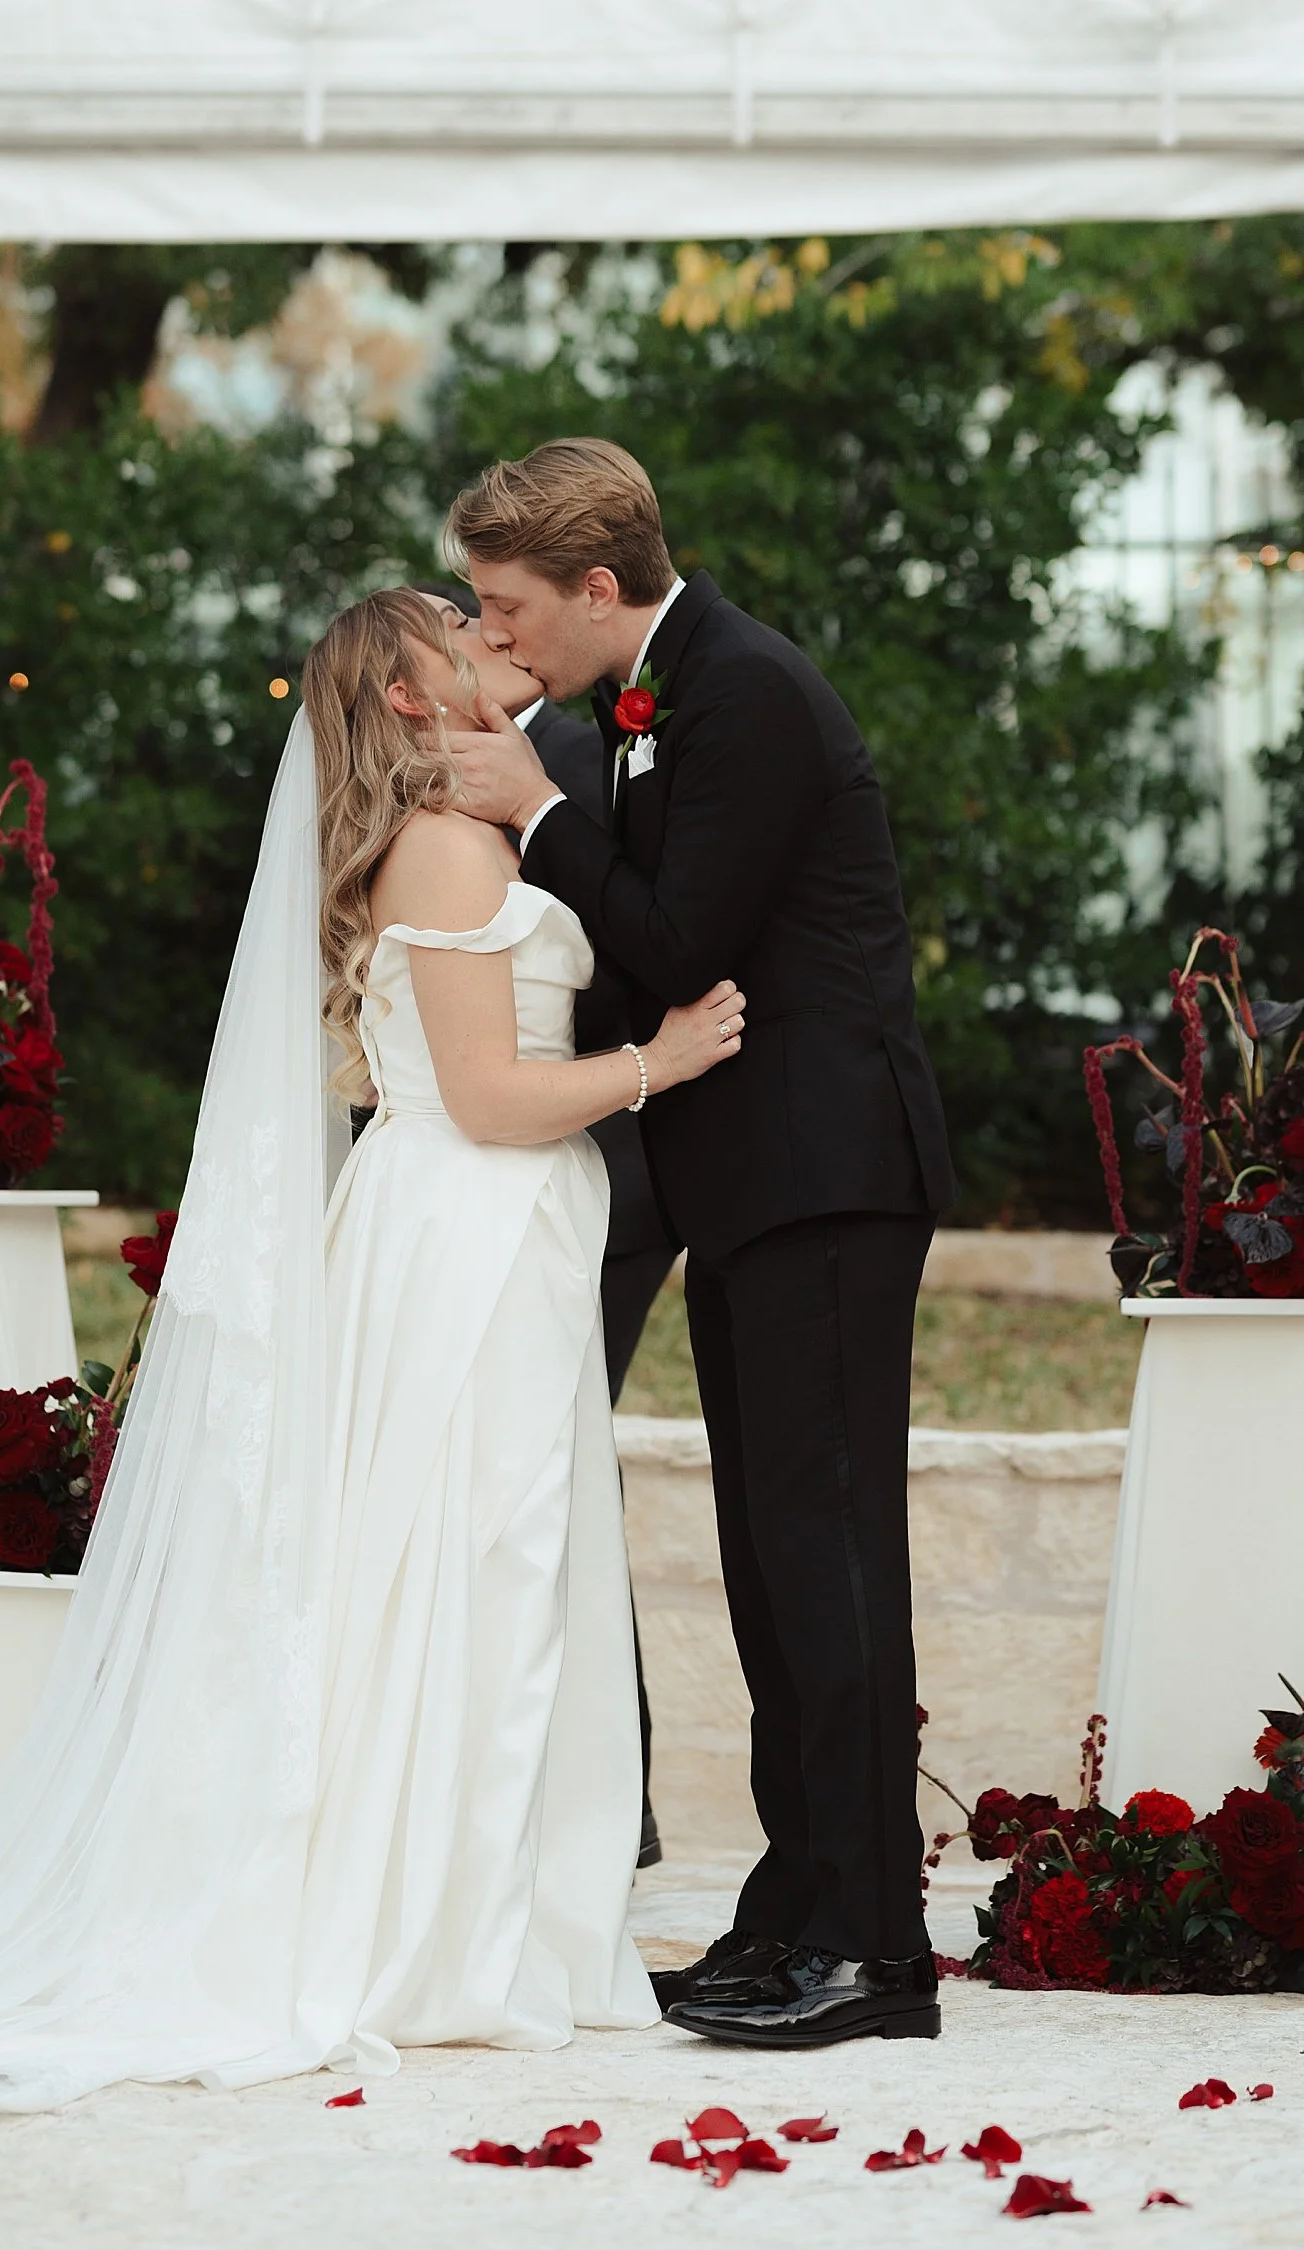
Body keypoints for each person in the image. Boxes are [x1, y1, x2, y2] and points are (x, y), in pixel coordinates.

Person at [0, 590, 746, 2144]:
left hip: (483, 1229)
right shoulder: (445, 845)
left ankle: (470, 1903)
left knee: (478, 1561)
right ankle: (434, 1933)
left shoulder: (470, 817)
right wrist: (664, 1060)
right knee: (474, 1564)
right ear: (402, 680)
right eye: (457, 617)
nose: (482, 619)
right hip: (467, 1222)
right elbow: (490, 1095)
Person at [445, 438, 957, 2052]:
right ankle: (799, 1905)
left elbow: (675, 946)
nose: (495, 631)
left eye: (506, 604)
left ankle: (878, 1953)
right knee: (771, 1564)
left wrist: (533, 812)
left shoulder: (743, 693)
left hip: (824, 1176)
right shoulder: (657, 700)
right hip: (753, 1183)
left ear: (600, 589)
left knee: (829, 1564)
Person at [414, 584, 673, 1867]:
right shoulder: (442, 805)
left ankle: (579, 1811)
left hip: (593, 1173)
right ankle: (564, 1820)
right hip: (504, 1161)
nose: (499, 637)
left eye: (498, 611)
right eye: (471, 622)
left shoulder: (577, 759)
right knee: (517, 1494)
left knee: (543, 1488)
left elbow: (647, 941)